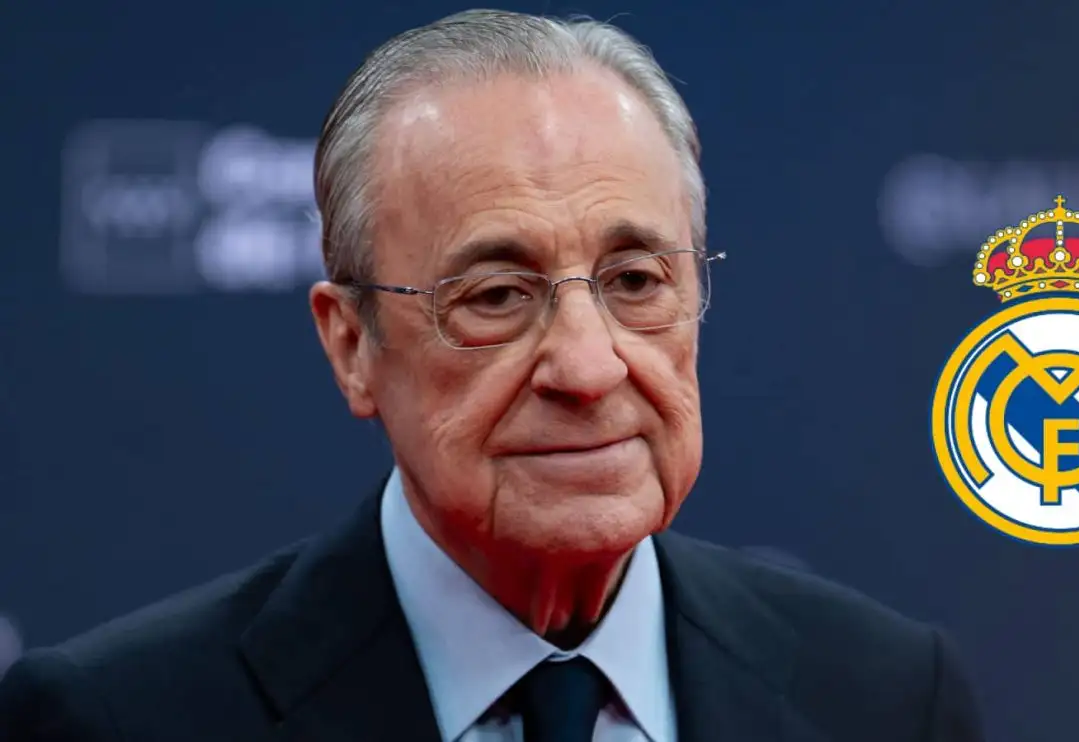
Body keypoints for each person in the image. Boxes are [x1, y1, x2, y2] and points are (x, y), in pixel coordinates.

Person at [0, 9, 985, 741]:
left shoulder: (886, 699)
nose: (589, 366)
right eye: (497, 296)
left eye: (635, 281)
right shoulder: (120, 718)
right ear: (352, 344)